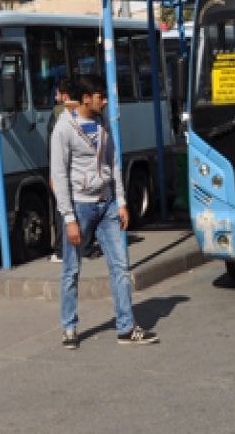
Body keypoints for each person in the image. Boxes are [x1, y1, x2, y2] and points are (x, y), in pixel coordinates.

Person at [50, 74, 159, 349]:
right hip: (80, 207)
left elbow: (113, 163)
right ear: (86, 98)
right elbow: (59, 176)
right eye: (101, 96)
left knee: (120, 266)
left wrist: (121, 201)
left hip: (107, 203)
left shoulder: (102, 123)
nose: (106, 101)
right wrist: (69, 218)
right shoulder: (63, 129)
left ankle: (126, 327)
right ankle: (70, 327)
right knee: (71, 270)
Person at [46, 78, 76, 264]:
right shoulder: (83, 111)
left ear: (64, 95)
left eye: (57, 93)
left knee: (61, 208)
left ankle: (61, 250)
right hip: (79, 170)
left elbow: (51, 148)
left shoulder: (58, 114)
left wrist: (52, 173)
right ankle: (84, 246)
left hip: (62, 170)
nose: (55, 97)